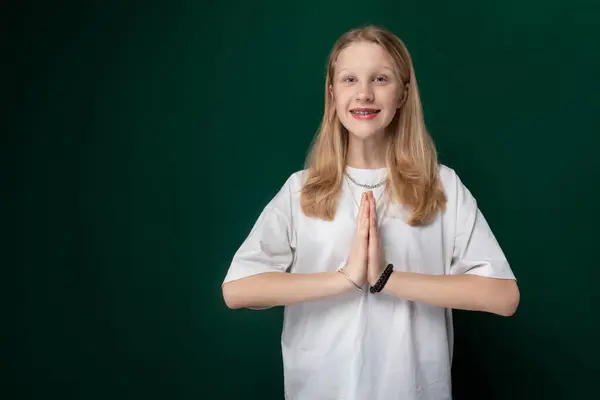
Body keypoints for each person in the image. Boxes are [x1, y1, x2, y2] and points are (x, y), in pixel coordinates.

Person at [221, 24, 519, 400]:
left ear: (404, 93)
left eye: (380, 79)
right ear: (332, 94)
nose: (364, 93)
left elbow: (503, 296)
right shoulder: (301, 189)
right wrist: (346, 278)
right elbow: (237, 289)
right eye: (349, 79)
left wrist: (385, 279)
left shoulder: (442, 186)